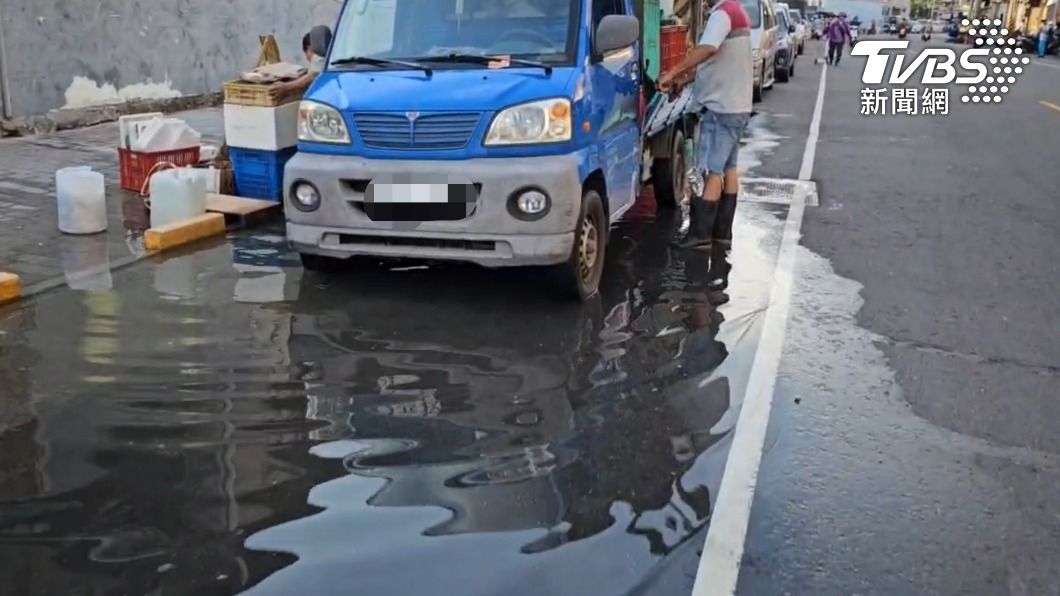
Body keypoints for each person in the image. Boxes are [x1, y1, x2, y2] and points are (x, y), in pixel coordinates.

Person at [657, 0, 753, 250]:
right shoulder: (738, 11)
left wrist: (671, 72)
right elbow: (718, 62)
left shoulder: (722, 15)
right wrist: (684, 78)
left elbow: (707, 49)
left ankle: (700, 235)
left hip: (721, 108)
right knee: (729, 168)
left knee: (712, 171)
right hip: (738, 105)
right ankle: (722, 233)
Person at [269, 32, 325, 100]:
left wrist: (286, 87)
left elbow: (313, 75)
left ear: (310, 49)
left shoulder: (318, 55)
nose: (308, 59)